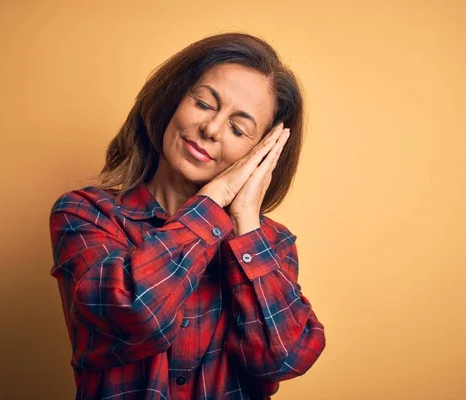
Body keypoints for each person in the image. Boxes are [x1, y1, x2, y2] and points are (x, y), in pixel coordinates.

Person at [49, 32, 326, 400]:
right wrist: (214, 200)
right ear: (172, 100)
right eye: (203, 103)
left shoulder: (269, 245)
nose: (211, 129)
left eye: (238, 128)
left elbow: (284, 359)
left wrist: (244, 216)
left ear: (261, 152)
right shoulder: (86, 213)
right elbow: (135, 311)